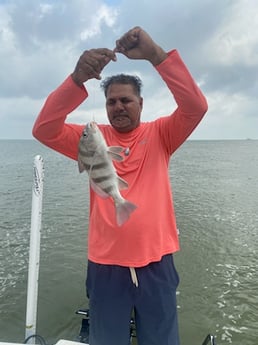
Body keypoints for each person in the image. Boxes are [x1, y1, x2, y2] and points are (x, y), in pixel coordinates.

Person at [33, 26, 208, 345]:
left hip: (157, 263)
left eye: (126, 100)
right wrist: (76, 80)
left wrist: (156, 55)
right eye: (111, 102)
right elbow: (44, 129)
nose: (118, 106)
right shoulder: (90, 138)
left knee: (162, 340)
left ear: (140, 103)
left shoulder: (161, 135)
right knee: (106, 340)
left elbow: (196, 107)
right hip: (105, 266)